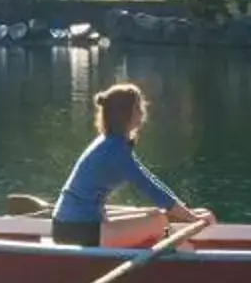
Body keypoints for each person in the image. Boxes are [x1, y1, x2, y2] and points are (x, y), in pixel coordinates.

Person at [51, 82, 212, 247]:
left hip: (77, 224)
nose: (142, 112)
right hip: (75, 230)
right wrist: (192, 218)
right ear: (124, 113)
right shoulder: (114, 149)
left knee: (156, 214)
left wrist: (186, 211)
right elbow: (150, 188)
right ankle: (187, 259)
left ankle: (179, 253)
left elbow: (151, 179)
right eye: (137, 108)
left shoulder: (113, 143)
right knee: (158, 221)